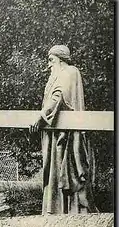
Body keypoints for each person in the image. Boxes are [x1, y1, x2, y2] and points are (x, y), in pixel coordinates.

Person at [30, 45, 95, 215]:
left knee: (65, 171)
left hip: (66, 136)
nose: (49, 65)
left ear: (61, 59)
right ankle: (56, 209)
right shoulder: (58, 74)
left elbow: (58, 96)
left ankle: (69, 211)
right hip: (56, 132)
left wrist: (41, 116)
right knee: (55, 171)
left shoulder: (70, 72)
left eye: (51, 60)